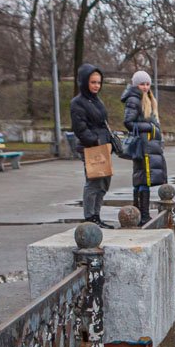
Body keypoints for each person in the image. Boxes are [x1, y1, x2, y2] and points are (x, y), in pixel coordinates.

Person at [70, 63, 114, 228]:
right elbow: (80, 129)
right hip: (92, 147)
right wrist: (96, 141)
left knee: (104, 182)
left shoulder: (96, 101)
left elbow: (103, 123)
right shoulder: (78, 103)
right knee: (94, 182)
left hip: (103, 147)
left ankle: (96, 215)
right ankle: (90, 217)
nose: (97, 86)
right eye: (93, 82)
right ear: (84, 82)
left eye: (99, 82)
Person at [122, 70, 168, 225]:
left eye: (147, 84)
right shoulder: (134, 100)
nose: (145, 87)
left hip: (148, 145)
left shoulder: (148, 98)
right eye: (142, 84)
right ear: (136, 84)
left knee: (143, 179)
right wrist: (149, 127)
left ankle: (139, 213)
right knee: (143, 180)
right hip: (142, 146)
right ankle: (142, 214)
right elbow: (128, 122)